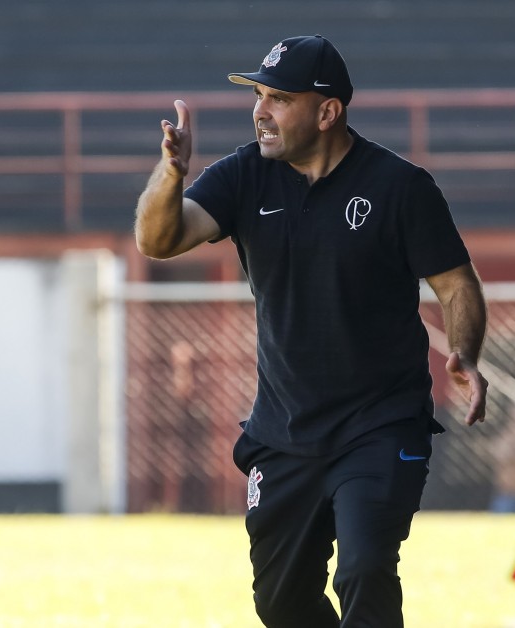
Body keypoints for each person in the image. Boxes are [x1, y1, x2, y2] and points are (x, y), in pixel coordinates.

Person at [134, 34, 488, 628]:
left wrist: (466, 355)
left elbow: (456, 283)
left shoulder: (401, 186)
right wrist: (170, 174)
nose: (260, 111)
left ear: (328, 112)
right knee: (281, 602)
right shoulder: (245, 175)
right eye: (259, 95)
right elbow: (157, 240)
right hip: (284, 430)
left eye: (279, 98)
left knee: (365, 568)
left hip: (380, 422)